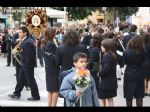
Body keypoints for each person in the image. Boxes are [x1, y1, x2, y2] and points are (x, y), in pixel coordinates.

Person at [8, 26, 40, 101]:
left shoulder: (28, 42)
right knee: (20, 79)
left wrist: (25, 65)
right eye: (18, 32)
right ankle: (16, 93)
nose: (19, 33)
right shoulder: (25, 40)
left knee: (31, 80)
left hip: (27, 65)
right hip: (24, 64)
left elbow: (29, 56)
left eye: (20, 32)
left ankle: (36, 96)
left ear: (25, 33)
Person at [123, 35, 145, 107]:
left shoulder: (126, 52)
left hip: (129, 74)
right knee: (139, 96)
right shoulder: (143, 51)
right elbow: (143, 61)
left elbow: (125, 62)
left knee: (128, 96)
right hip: (139, 73)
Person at [41, 27, 59, 106]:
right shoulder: (51, 44)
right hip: (53, 68)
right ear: (52, 34)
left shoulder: (47, 42)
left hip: (49, 68)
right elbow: (53, 58)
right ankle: (53, 105)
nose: (56, 34)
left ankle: (50, 105)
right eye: (55, 32)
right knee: (55, 89)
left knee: (50, 89)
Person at [98, 38, 118, 107]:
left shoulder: (107, 56)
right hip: (112, 81)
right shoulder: (113, 55)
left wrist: (99, 73)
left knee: (101, 98)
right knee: (110, 99)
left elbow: (106, 68)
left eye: (102, 46)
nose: (101, 47)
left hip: (106, 82)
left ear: (106, 47)